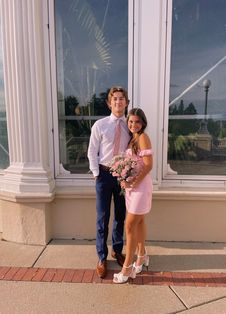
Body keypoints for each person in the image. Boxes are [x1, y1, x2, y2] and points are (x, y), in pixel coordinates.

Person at [87, 86, 131, 278]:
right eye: (115, 99)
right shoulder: (100, 125)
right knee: (102, 218)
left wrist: (129, 174)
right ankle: (102, 257)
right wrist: (97, 173)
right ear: (109, 103)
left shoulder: (130, 126)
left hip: (122, 177)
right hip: (104, 176)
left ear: (126, 103)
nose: (118, 102)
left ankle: (117, 250)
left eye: (122, 99)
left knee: (120, 216)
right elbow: (92, 151)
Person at [113, 108, 153, 284]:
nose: (133, 125)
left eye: (137, 122)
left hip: (141, 187)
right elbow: (131, 164)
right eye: (130, 121)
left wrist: (135, 182)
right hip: (131, 188)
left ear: (142, 122)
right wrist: (124, 178)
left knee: (129, 226)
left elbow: (148, 165)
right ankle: (142, 255)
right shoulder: (133, 139)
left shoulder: (143, 137)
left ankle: (127, 268)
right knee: (140, 222)